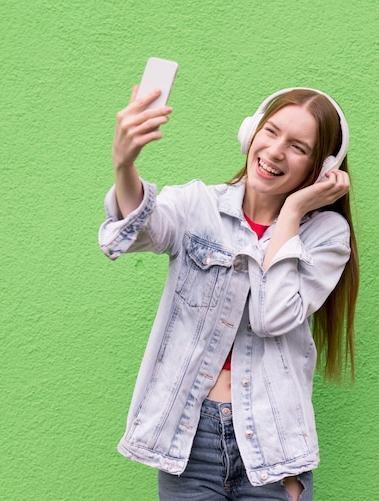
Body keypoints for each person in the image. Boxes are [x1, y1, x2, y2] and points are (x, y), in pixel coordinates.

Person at [99, 85, 359, 501]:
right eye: (271, 132)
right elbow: (134, 233)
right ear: (251, 132)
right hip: (190, 439)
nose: (275, 151)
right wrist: (124, 164)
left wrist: (292, 212)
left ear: (322, 168)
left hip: (273, 445)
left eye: (298, 147)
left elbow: (270, 316)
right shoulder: (197, 206)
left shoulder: (327, 235)